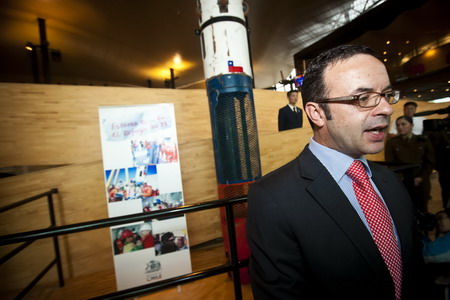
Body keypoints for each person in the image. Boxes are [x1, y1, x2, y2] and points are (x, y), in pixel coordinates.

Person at [247, 44, 427, 300]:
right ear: (317, 113)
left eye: (386, 94)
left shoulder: (390, 180)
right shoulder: (272, 200)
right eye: (362, 98)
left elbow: (416, 271)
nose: (386, 109)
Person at [385, 116, 435, 213]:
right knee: (405, 210)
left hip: (421, 181)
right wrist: (403, 178)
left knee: (422, 209)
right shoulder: (392, 143)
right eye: (398, 125)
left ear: (411, 125)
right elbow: (390, 164)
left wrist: (421, 178)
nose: (400, 127)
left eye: (403, 124)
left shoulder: (423, 141)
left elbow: (429, 162)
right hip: (402, 182)